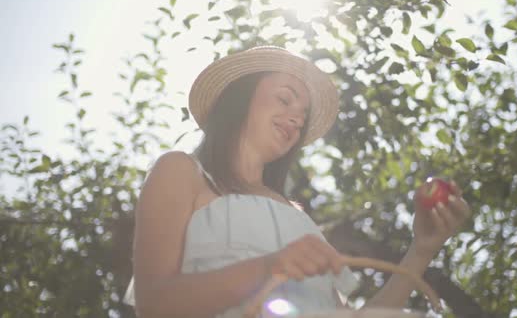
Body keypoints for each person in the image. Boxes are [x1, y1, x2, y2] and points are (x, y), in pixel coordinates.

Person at [123, 46, 471, 317]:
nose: (295, 118)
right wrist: (269, 267)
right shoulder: (182, 172)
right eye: (285, 99)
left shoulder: (296, 216)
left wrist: (422, 248)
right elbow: (154, 303)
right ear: (239, 99)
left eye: (302, 116)